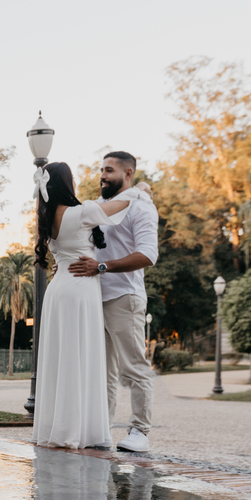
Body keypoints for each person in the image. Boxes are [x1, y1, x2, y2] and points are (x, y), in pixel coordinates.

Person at [32, 162, 151, 449]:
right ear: (66, 183)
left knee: (63, 359)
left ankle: (61, 428)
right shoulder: (79, 213)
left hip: (58, 289)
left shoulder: (47, 216)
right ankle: (81, 431)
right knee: (81, 357)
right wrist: (139, 190)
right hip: (80, 288)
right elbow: (119, 205)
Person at [68, 152, 159, 453]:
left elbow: (148, 255)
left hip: (124, 297)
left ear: (128, 173)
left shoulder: (141, 207)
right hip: (95, 296)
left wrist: (102, 267)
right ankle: (101, 430)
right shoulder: (102, 207)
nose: (103, 176)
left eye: (109, 170)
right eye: (101, 171)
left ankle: (140, 432)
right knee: (102, 371)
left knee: (134, 368)